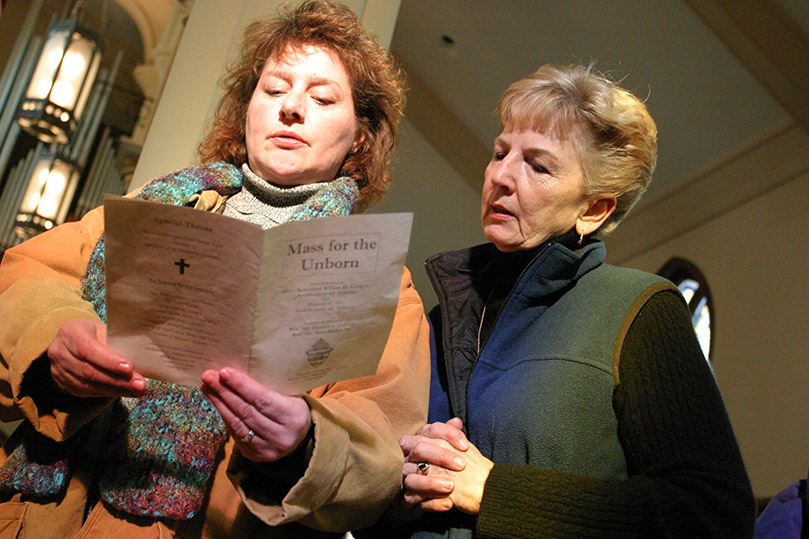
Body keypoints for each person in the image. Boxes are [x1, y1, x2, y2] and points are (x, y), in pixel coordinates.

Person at [0, 1, 429, 537]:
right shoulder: (156, 206)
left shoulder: (379, 281)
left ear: (361, 137)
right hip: (39, 513)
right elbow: (23, 276)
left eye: (321, 97)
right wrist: (55, 338)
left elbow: (385, 444)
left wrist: (306, 443)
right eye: (273, 89)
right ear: (247, 107)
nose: (291, 107)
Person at [394, 64, 755, 537]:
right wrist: (405, 483)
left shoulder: (639, 309)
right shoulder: (442, 316)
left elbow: (713, 512)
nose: (501, 175)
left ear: (594, 208)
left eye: (537, 165)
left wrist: (494, 491)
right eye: (500, 152)